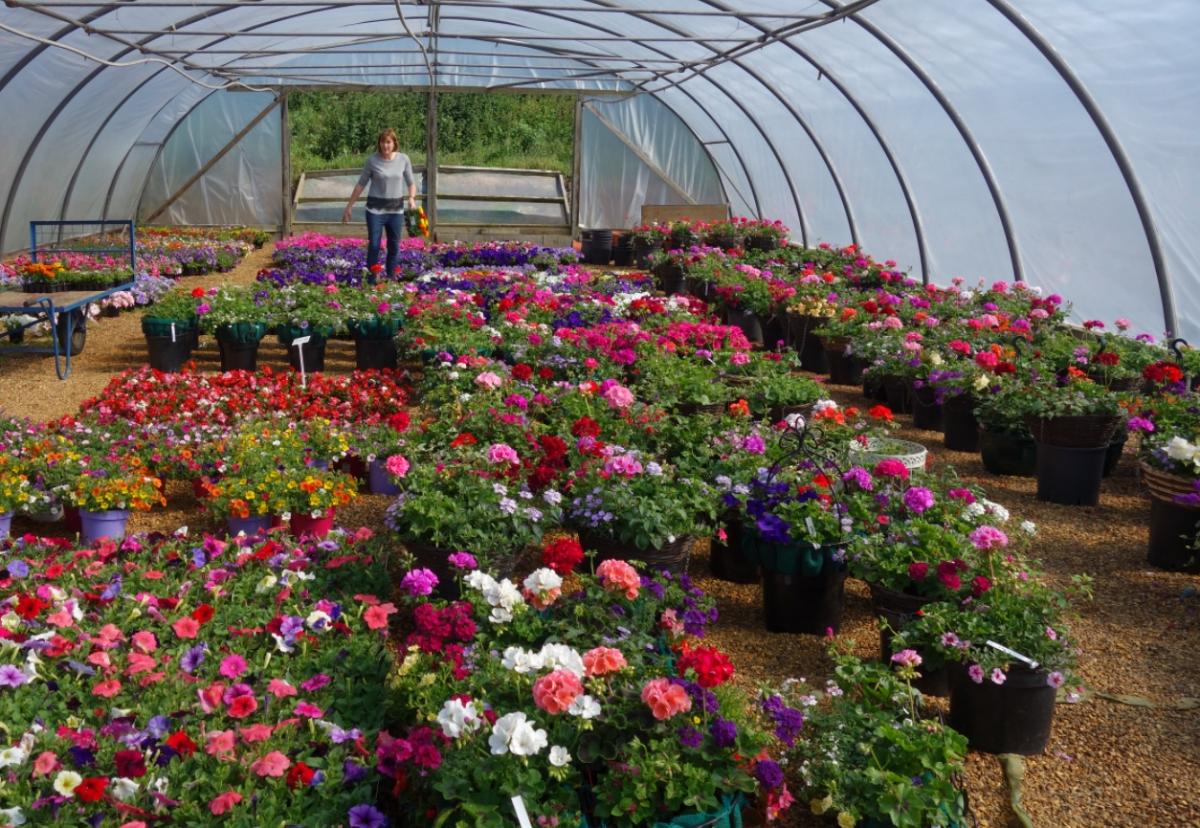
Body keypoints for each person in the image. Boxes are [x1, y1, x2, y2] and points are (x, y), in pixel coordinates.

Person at [342, 128, 417, 281]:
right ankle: (371, 280)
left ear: (394, 143)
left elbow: (411, 183)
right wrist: (349, 206)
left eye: (388, 142)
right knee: (375, 245)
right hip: (375, 211)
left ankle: (391, 278)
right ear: (379, 144)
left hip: (396, 212)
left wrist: (411, 198)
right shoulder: (372, 160)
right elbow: (361, 184)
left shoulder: (403, 159)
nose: (385, 145)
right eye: (382, 142)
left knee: (394, 246)